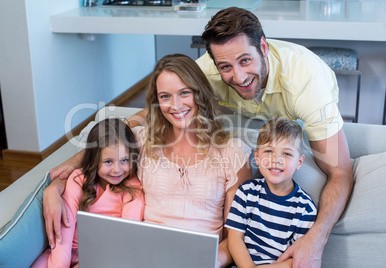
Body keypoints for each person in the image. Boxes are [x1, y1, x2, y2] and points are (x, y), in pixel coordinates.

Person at [44, 54, 252, 268]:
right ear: (156, 102)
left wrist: (211, 263)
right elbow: (103, 148)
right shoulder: (142, 141)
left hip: (201, 260)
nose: (176, 105)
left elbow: (235, 237)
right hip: (143, 257)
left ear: (200, 94)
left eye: (184, 93)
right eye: (165, 96)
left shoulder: (233, 153)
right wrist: (55, 188)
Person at [194, 7, 353, 267]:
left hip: (294, 121)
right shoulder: (209, 70)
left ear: (263, 47)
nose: (239, 76)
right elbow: (161, 102)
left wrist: (316, 238)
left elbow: (341, 172)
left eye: (245, 60)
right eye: (226, 67)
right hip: (243, 117)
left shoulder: (306, 83)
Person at [33, 118, 144, 267]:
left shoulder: (133, 187)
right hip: (65, 250)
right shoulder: (78, 179)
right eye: (108, 162)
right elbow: (65, 227)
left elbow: (126, 235)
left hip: (102, 255)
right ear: (94, 159)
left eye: (124, 160)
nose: (117, 170)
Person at [225, 117, 317, 267]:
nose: (276, 159)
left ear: (299, 162)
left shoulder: (305, 208)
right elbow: (234, 239)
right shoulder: (246, 192)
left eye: (286, 154)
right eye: (268, 151)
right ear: (257, 156)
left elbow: (296, 259)